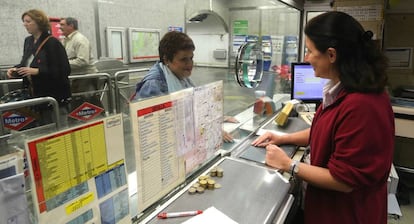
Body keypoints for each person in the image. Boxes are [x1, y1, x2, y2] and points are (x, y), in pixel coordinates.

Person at [252, 11, 394, 224]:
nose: (306, 58)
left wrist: (288, 164)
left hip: (346, 215)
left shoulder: (362, 105)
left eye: (309, 51)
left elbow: (344, 181)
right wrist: (283, 138)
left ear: (331, 55)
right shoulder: (341, 90)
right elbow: (325, 131)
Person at [131, 31, 236, 142]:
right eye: (183, 59)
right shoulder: (155, 85)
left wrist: (216, 117)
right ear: (166, 59)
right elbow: (158, 128)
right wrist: (208, 129)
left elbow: (195, 105)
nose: (190, 64)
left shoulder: (180, 77)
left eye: (191, 58)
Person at [7, 9, 71, 126]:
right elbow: (26, 63)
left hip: (54, 96)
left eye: (28, 21)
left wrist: (37, 71)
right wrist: (15, 69)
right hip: (35, 95)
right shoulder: (28, 41)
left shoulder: (52, 43)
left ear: (39, 22)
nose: (25, 24)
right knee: (42, 130)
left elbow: (64, 70)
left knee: (58, 129)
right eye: (24, 21)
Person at [60, 17, 98, 92]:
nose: (60, 27)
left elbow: (82, 61)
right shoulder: (65, 40)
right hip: (76, 77)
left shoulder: (79, 39)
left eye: (62, 25)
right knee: (78, 102)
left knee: (87, 102)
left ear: (71, 26)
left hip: (85, 78)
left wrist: (63, 64)